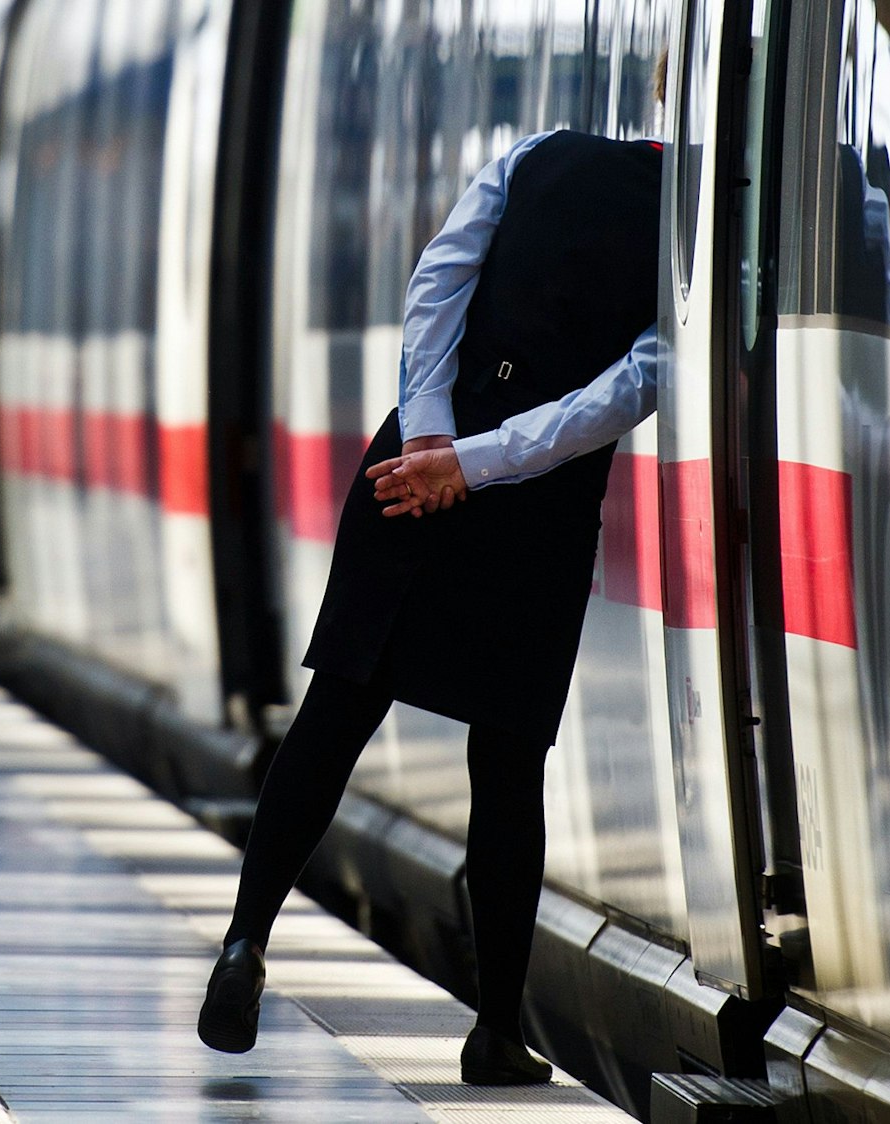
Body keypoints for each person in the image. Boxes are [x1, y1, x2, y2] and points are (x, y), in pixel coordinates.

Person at [196, 126, 663, 1086]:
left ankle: (245, 941)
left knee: (334, 716)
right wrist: (480, 466)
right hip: (532, 513)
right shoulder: (694, 233)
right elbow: (625, 390)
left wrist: (435, 438)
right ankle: (495, 1029)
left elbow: (436, 285)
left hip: (408, 475)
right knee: (506, 765)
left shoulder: (533, 154)